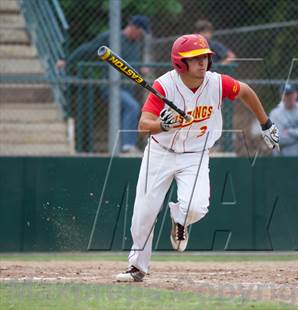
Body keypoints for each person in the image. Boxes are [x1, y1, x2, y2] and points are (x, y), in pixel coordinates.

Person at [116, 34, 279, 282]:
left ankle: (179, 220)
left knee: (196, 207)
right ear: (180, 63)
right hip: (160, 153)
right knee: (144, 215)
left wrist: (265, 123)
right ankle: (138, 266)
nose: (202, 62)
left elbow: (245, 91)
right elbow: (142, 126)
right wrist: (163, 124)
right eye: (195, 58)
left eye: (205, 57)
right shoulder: (163, 86)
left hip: (195, 154)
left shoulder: (217, 83)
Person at [56, 15, 151, 153]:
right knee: (132, 106)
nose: (140, 36)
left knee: (131, 110)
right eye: (140, 32)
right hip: (110, 86)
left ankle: (121, 148)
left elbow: (131, 64)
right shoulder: (111, 37)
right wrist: (67, 60)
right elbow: (88, 49)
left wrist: (141, 68)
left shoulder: (136, 44)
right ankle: (128, 146)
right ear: (133, 27)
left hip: (127, 88)